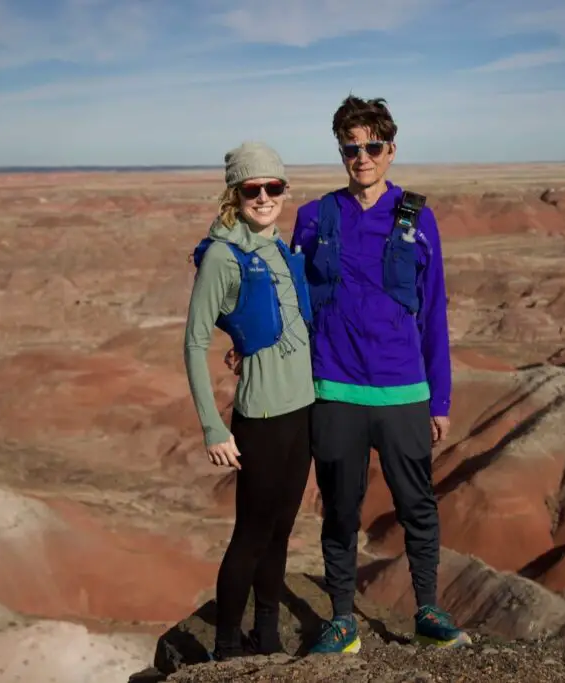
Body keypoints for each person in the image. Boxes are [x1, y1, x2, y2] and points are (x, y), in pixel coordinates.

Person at [226, 96, 470, 654]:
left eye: (372, 146)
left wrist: (441, 398)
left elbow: (434, 311)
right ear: (341, 151)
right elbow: (285, 296)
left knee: (417, 505)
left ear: (390, 150)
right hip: (333, 388)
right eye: (351, 147)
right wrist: (247, 337)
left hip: (404, 389)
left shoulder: (416, 216)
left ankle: (428, 610)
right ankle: (341, 619)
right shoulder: (315, 217)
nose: (362, 157)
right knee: (339, 506)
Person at [184, 141, 315, 661]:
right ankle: (225, 645)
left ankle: (267, 635)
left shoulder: (281, 249)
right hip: (260, 416)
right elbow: (194, 342)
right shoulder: (223, 254)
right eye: (252, 188)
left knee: (282, 528)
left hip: (301, 411)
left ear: (284, 189)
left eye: (273, 187)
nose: (264, 197)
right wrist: (214, 427)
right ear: (235, 194)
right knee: (252, 533)